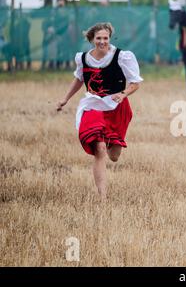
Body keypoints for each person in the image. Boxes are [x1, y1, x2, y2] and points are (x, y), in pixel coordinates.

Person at [56, 23, 143, 200]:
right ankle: (102, 198)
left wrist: (123, 93)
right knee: (100, 149)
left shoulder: (122, 56)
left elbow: (135, 83)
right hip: (93, 105)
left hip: (116, 107)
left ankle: (111, 141)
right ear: (92, 39)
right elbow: (79, 79)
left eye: (105, 38)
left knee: (114, 156)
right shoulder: (82, 58)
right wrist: (65, 99)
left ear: (109, 38)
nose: (102, 42)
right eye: (99, 38)